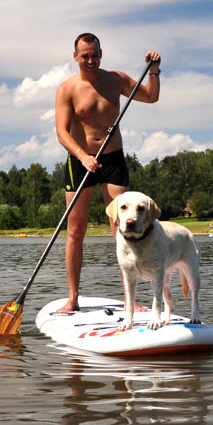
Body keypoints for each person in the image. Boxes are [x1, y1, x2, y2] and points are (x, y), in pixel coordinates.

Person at [55, 33, 161, 313]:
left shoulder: (115, 80)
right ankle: (73, 297)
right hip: (79, 161)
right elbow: (61, 132)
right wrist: (82, 156)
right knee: (76, 231)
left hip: (113, 158)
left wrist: (154, 72)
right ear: (75, 56)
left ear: (101, 54)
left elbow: (151, 97)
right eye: (85, 55)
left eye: (95, 55)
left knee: (122, 229)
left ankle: (131, 299)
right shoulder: (67, 89)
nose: (91, 60)